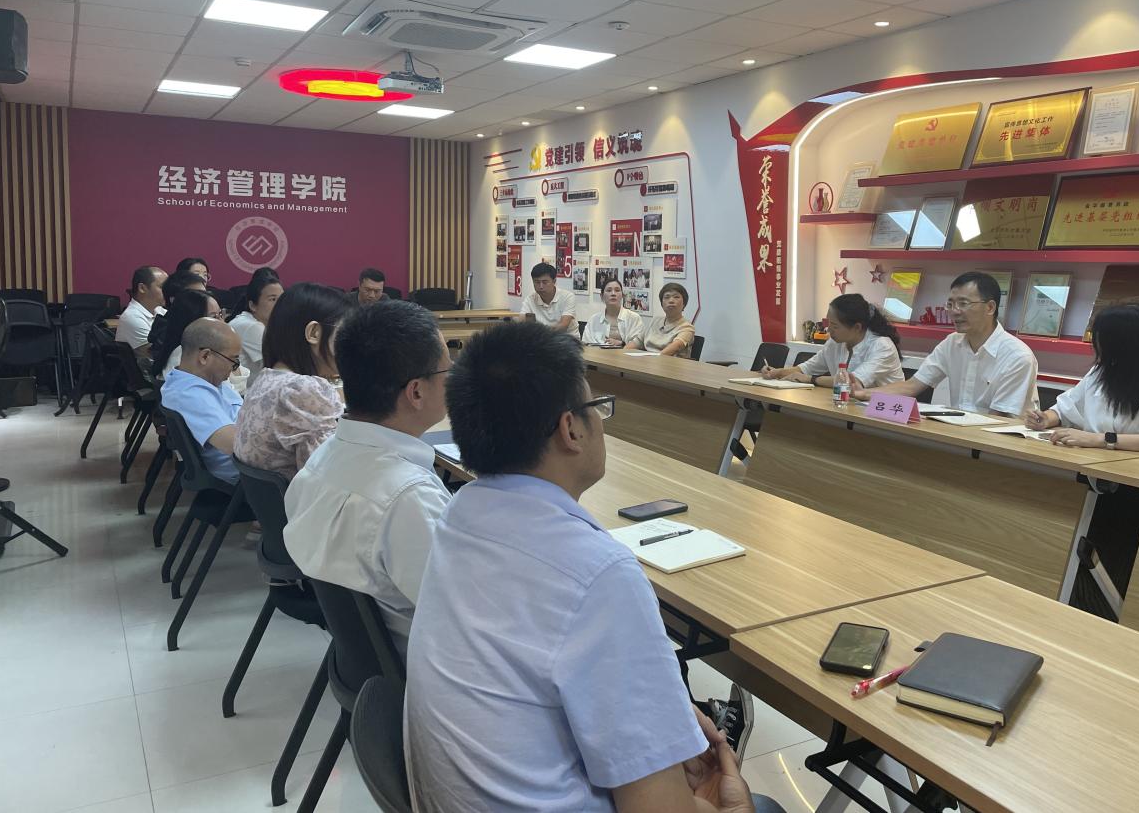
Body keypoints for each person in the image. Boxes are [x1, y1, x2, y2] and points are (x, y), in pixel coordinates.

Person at [405, 322, 776, 813]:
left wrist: (662, 713)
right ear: (571, 429)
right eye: (597, 407)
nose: (601, 422)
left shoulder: (460, 512)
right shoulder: (598, 573)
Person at [282, 300, 453, 644]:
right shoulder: (408, 499)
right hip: (420, 663)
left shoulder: (321, 461)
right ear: (416, 391)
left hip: (363, 659)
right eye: (447, 372)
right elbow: (466, 616)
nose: (453, 381)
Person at [1024, 303, 1139, 452]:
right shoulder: (1100, 373)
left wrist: (1101, 440)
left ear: (1123, 346)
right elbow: (1066, 410)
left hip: (1138, 473)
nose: (1096, 347)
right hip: (1094, 465)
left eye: (1102, 340)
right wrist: (1046, 419)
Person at [853, 271, 1038, 416]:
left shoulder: (1017, 356)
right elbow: (912, 386)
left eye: (963, 304)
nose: (954, 311)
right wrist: (862, 393)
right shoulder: (952, 342)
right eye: (950, 304)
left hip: (1005, 443)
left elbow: (999, 418)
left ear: (990, 307)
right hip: (961, 436)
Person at [234, 283, 351, 480]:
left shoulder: (267, 378)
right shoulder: (302, 389)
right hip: (302, 498)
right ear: (314, 333)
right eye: (345, 333)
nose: (350, 345)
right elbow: (331, 475)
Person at [160, 318, 243, 485]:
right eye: (233, 361)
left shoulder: (205, 381)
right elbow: (234, 445)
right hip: (246, 473)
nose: (234, 368)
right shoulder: (190, 395)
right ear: (205, 356)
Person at [762, 293, 903, 389]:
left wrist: (811, 379)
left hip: (885, 414)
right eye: (828, 323)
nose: (828, 329)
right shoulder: (835, 342)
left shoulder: (882, 346)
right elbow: (806, 368)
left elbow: (852, 382)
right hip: (849, 407)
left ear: (857, 327)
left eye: (835, 326)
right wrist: (777, 372)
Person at [150, 289, 224, 378]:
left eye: (220, 314)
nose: (222, 322)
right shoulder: (184, 356)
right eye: (214, 317)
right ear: (192, 321)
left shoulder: (203, 347)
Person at [228, 267, 282, 378]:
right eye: (272, 299)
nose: (280, 304)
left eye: (282, 299)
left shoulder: (256, 321)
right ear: (252, 305)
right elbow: (282, 365)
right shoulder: (251, 326)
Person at [628, 281, 696, 357]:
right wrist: (622, 354)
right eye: (667, 297)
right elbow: (637, 341)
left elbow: (672, 350)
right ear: (662, 304)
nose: (671, 301)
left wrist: (647, 361)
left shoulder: (687, 327)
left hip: (668, 362)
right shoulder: (655, 321)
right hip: (647, 361)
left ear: (684, 303)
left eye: (676, 297)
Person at [148, 270, 209, 351]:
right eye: (196, 296)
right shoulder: (167, 335)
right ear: (174, 300)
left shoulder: (203, 321)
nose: (205, 300)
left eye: (205, 294)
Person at [114, 265, 167, 354]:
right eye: (162, 287)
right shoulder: (132, 317)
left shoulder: (159, 310)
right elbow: (157, 354)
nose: (168, 291)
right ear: (142, 288)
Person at [582, 278, 644, 347]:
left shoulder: (634, 318)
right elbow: (585, 344)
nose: (613, 294)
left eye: (617, 290)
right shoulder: (594, 320)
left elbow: (639, 344)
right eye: (609, 290)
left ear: (622, 296)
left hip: (625, 353)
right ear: (602, 296)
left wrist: (621, 343)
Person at [522, 261, 579, 335]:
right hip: (541, 339)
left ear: (554, 281)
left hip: (567, 339)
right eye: (537, 282)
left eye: (545, 282)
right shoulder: (530, 299)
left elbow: (563, 326)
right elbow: (523, 322)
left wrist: (538, 332)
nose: (541, 286)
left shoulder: (567, 297)